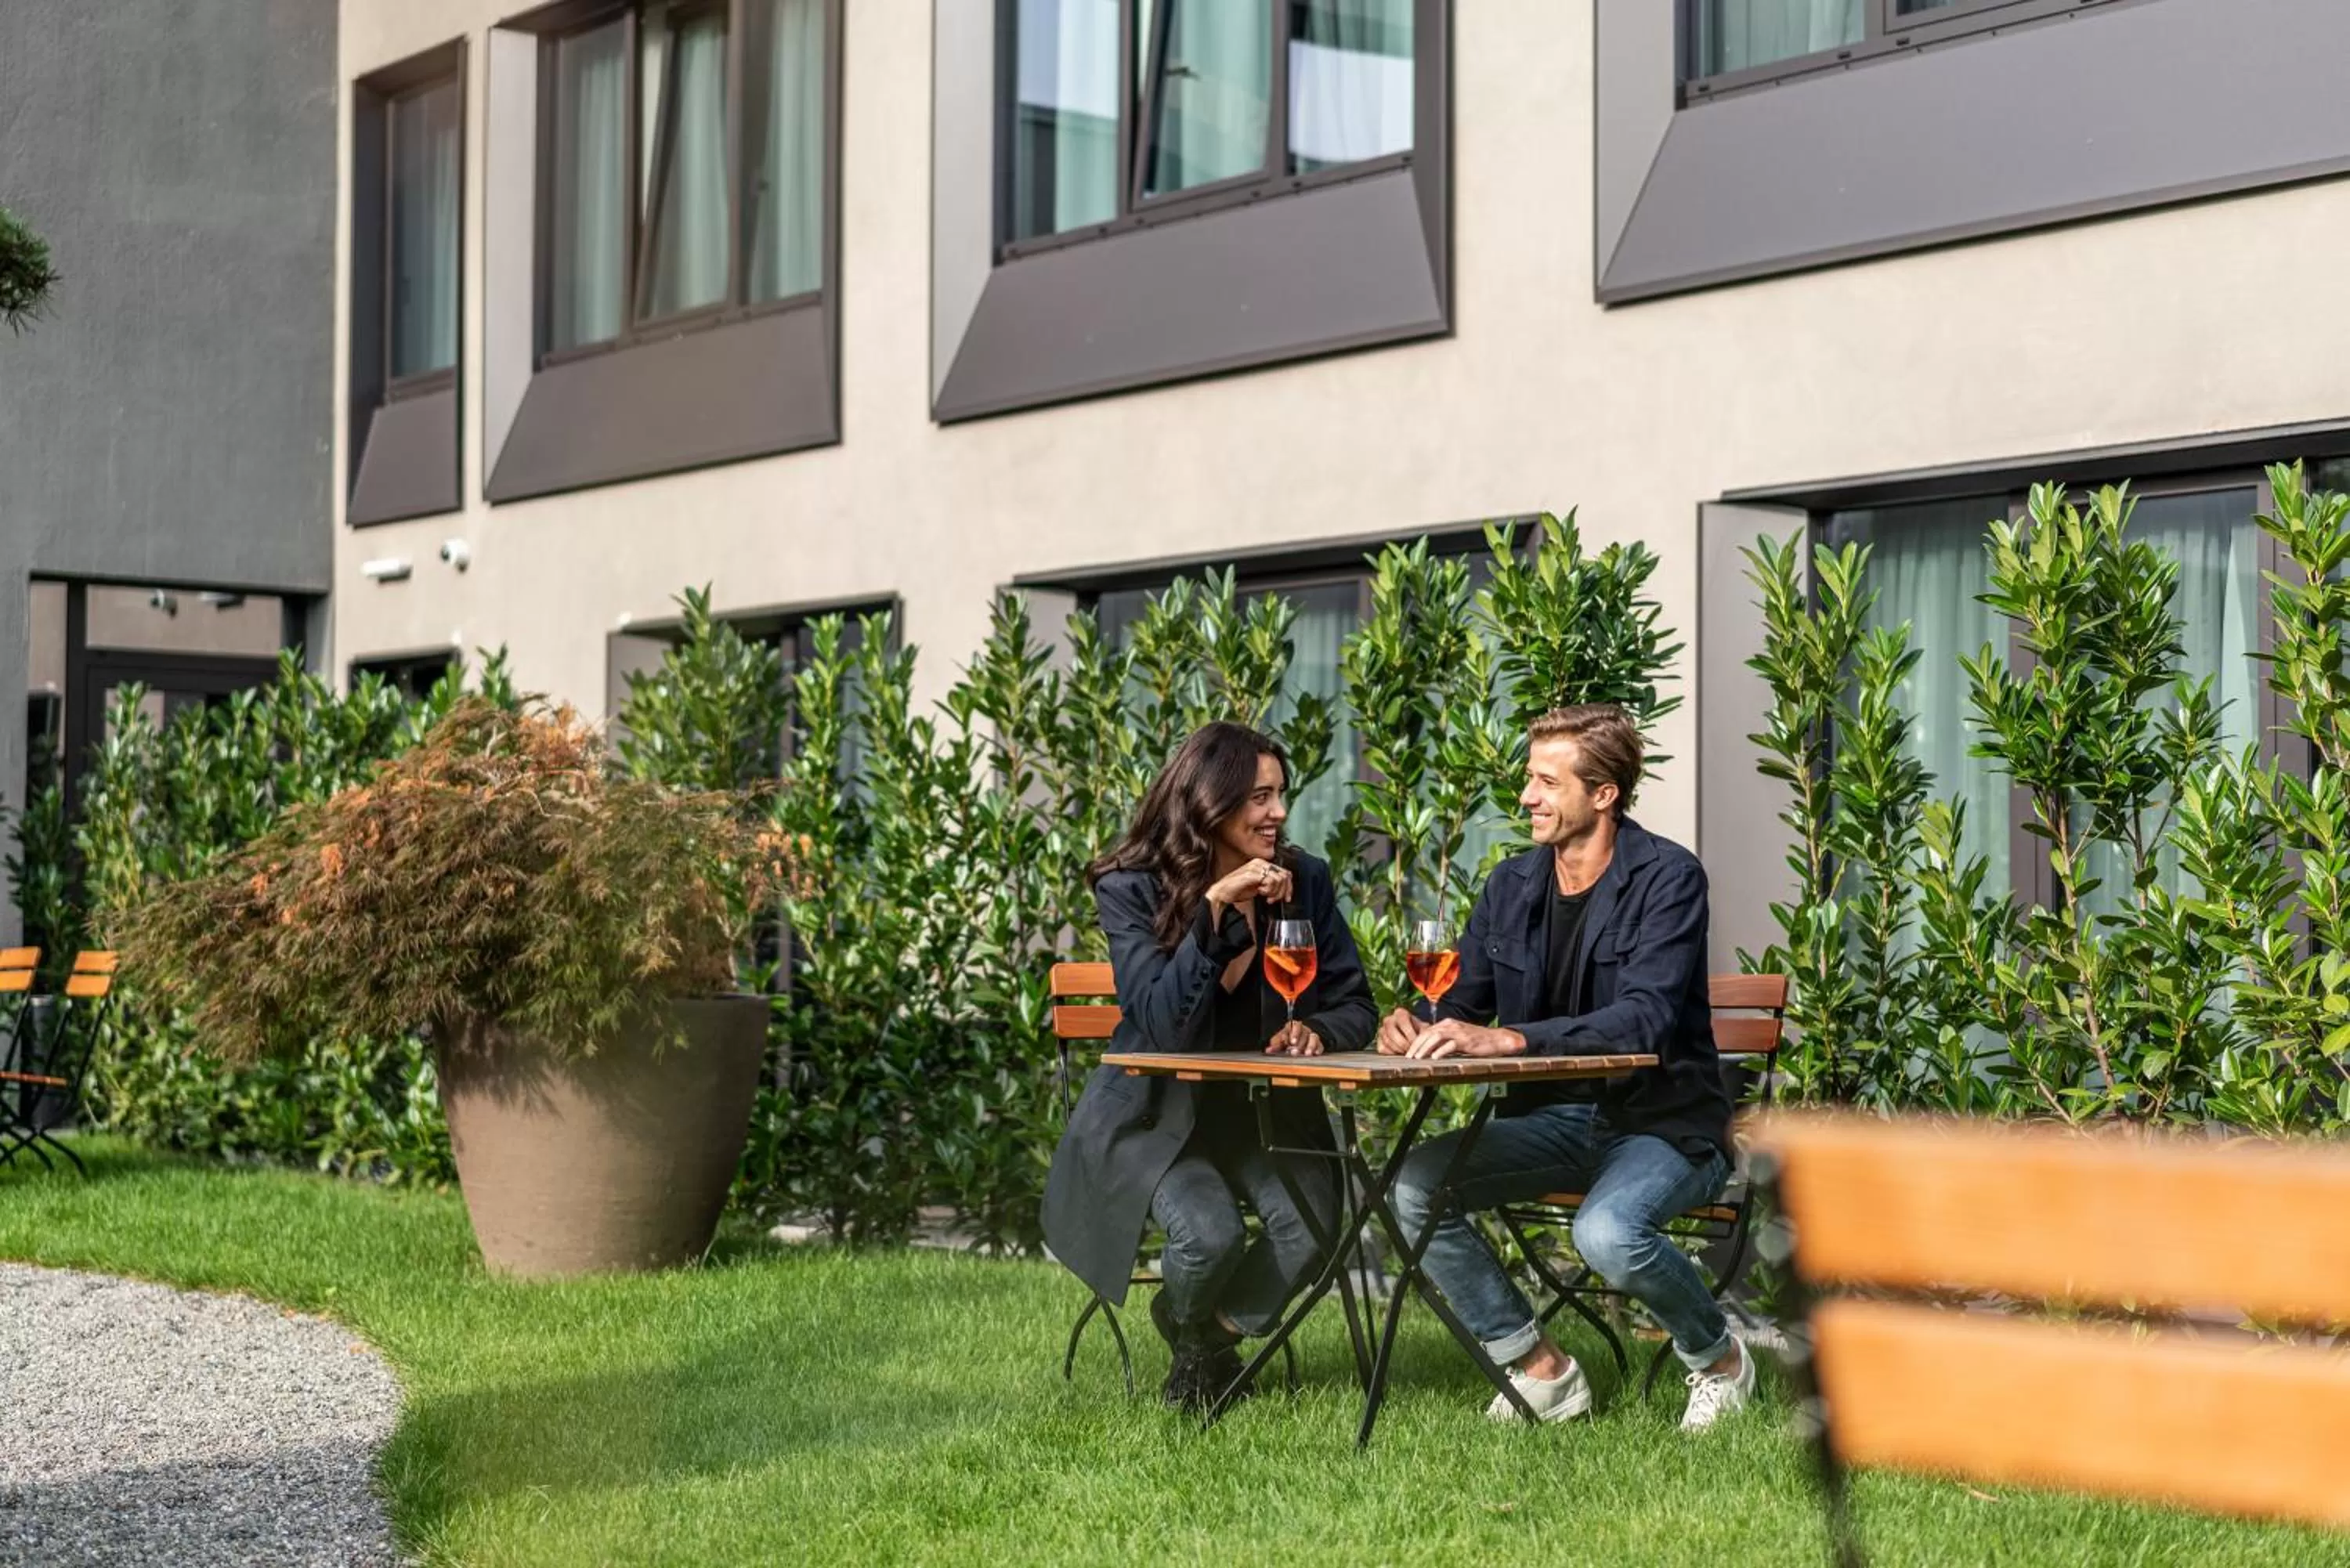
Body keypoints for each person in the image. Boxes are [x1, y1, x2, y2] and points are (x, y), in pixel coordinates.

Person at [1378, 703, 1752, 1432]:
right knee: (1415, 1186)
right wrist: (1415, 1023)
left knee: (1607, 1234)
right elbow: (1461, 1000)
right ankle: (1540, 1369)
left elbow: (1643, 1016)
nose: (1527, 798)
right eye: (1529, 779)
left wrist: (1510, 1041)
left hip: (1661, 1127)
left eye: (1547, 783)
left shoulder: (1668, 879)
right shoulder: (1510, 886)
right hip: (1549, 1121)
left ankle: (1720, 1358)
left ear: (1603, 793)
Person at [1043, 722, 1376, 1411]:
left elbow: (1356, 1004)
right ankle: (1202, 1347)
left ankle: (1199, 1335)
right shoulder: (1131, 885)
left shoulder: (1303, 879)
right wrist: (1216, 916)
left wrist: (1315, 1028)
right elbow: (1162, 1022)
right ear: (1208, 803)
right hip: (1156, 1115)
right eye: (1260, 797)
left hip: (1263, 1111)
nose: (1279, 813)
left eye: (1281, 794)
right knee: (1209, 1234)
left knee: (1313, 1225)